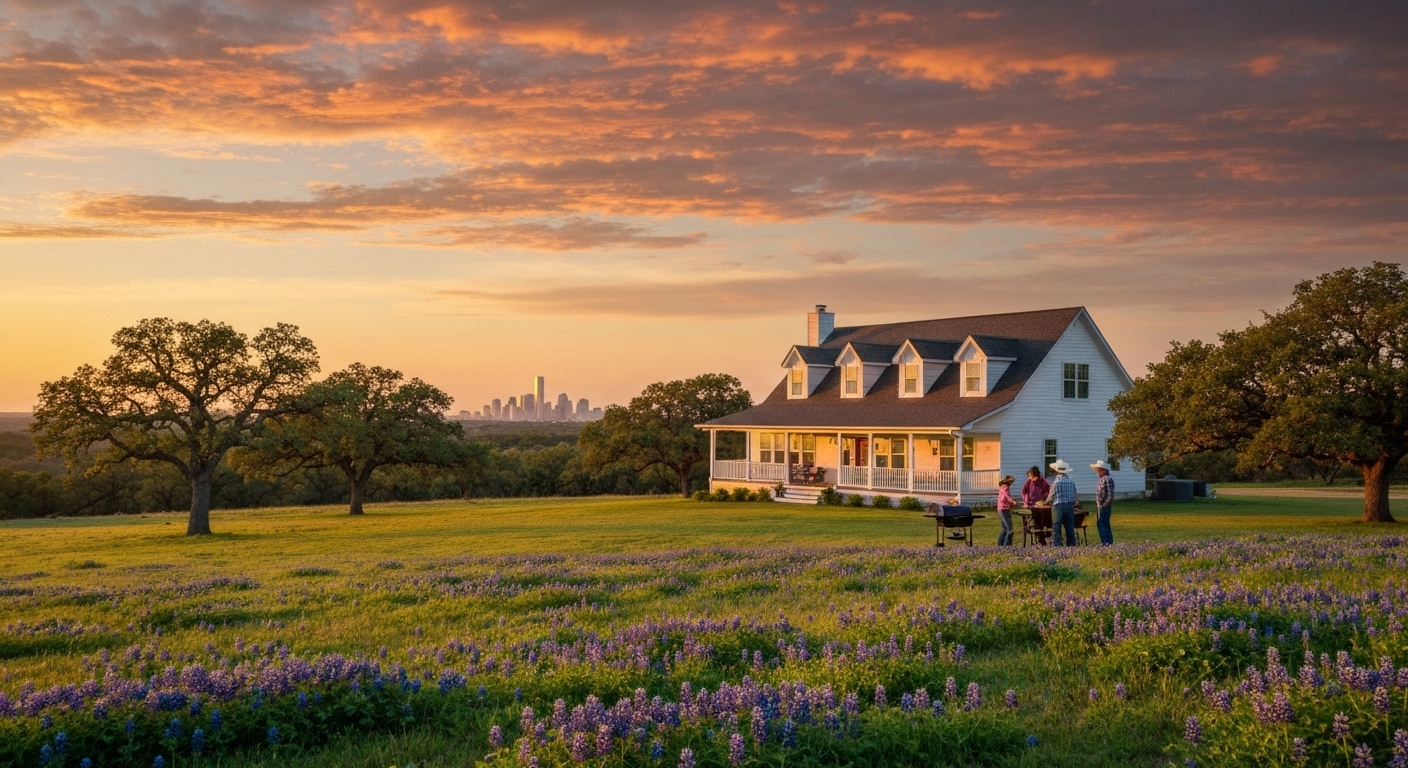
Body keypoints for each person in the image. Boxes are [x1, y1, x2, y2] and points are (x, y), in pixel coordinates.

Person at [1045, 459, 1078, 546]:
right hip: (1069, 506)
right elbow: (1074, 496)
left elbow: (1051, 495)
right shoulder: (1071, 482)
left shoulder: (1056, 482)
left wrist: (1046, 502)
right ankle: (1071, 546)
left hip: (1058, 505)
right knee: (1069, 527)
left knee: (1056, 527)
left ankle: (1057, 545)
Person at [1091, 460, 1115, 545]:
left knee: (1103, 524)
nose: (1097, 472)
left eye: (1099, 470)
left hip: (1103, 506)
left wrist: (1104, 505)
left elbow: (1110, 494)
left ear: (1104, 470)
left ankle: (1107, 542)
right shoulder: (1101, 480)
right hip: (1100, 506)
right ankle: (1105, 541)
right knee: (1100, 523)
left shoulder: (1107, 479)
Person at [996, 475, 1016, 546]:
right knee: (1010, 530)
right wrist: (1013, 502)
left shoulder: (1002, 487)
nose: (1011, 484)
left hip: (1001, 508)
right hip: (1004, 509)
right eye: (1011, 482)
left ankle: (1000, 544)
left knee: (1005, 528)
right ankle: (1007, 545)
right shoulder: (1005, 488)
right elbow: (1007, 497)